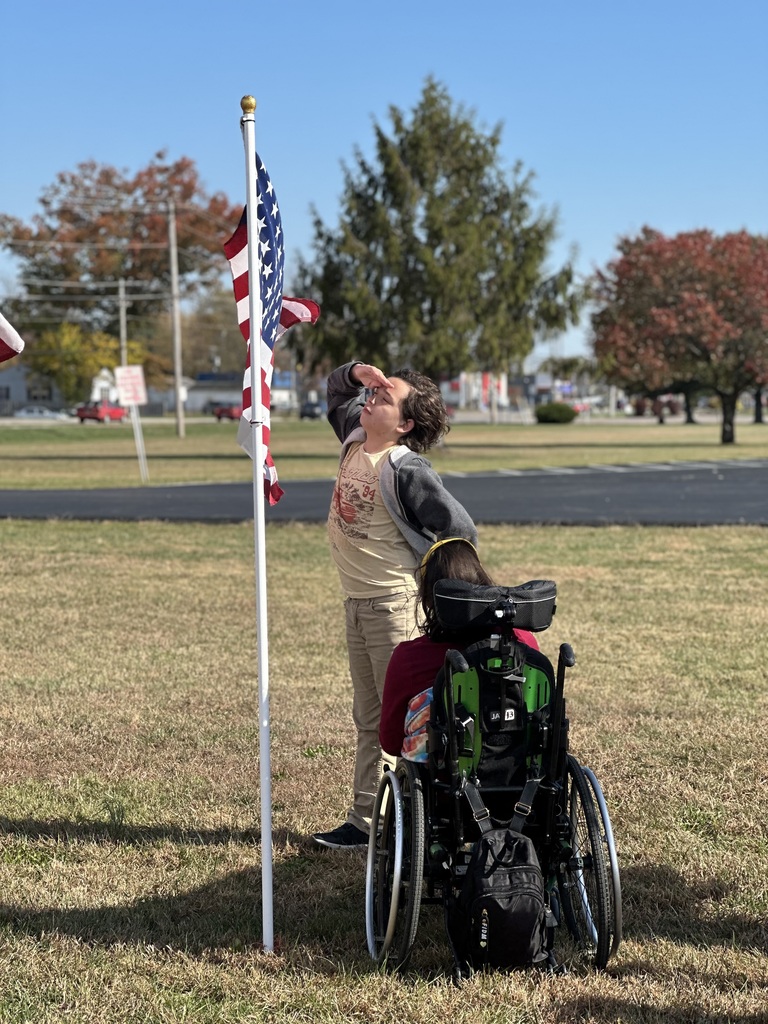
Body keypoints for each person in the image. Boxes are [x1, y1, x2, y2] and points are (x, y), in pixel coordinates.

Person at [312, 361, 477, 849]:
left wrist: (434, 582)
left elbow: (460, 529)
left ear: (404, 424)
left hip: (392, 607)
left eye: (385, 397)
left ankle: (417, 820)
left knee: (406, 720)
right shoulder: (353, 437)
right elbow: (334, 390)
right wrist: (358, 373)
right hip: (356, 606)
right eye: (373, 393)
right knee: (370, 718)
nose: (372, 400)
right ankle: (367, 822)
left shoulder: (405, 468)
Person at [379, 537, 540, 759]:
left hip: (442, 782)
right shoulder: (524, 643)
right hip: (521, 777)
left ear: (428, 601)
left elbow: (390, 742)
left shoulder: (409, 658)